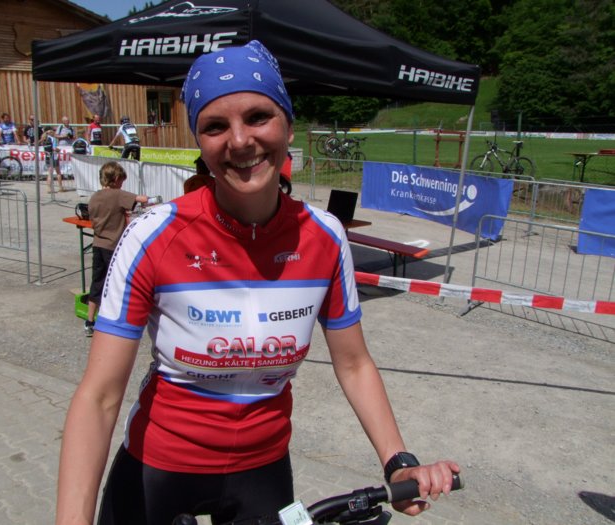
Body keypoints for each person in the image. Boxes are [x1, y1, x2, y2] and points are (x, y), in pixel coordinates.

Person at [55, 41, 459, 525]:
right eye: (215, 126)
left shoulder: (325, 236)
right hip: (158, 469)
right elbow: (99, 397)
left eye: (258, 117)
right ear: (199, 141)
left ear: (288, 124)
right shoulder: (151, 235)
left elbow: (354, 364)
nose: (240, 140)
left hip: (262, 473)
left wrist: (398, 461)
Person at [84, 161, 152, 337]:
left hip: (98, 244)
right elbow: (142, 200)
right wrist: (151, 200)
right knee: (117, 283)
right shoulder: (117, 194)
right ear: (115, 179)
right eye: (121, 180)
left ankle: (90, 321)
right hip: (113, 246)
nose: (122, 184)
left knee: (97, 282)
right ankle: (116, 319)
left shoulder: (95, 196)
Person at [42, 127, 64, 193]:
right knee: (58, 173)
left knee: (49, 173)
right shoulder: (53, 139)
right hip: (54, 157)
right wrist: (59, 150)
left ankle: (49, 189)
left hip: (48, 157)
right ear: (51, 132)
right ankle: (60, 187)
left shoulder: (44, 139)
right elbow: (54, 148)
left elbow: (45, 149)